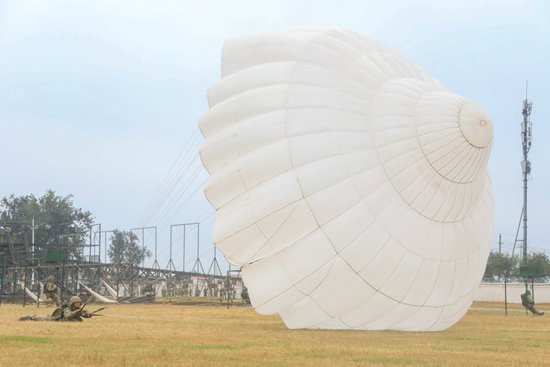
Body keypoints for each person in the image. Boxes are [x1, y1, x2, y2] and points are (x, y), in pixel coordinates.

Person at [19, 296, 95, 322]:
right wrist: (77, 311)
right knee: (42, 318)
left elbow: (84, 314)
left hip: (66, 320)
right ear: (72, 303)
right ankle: (29, 317)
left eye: (79, 302)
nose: (78, 304)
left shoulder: (79, 309)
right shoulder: (67, 308)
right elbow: (68, 315)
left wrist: (89, 315)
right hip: (56, 319)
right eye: (76, 303)